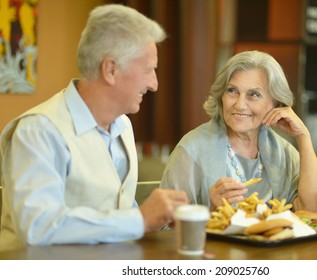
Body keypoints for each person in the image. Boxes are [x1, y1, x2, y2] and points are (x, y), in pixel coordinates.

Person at [0, 4, 188, 251]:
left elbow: (113, 211)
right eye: (148, 70)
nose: (154, 84)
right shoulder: (38, 130)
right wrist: (139, 219)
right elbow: (37, 225)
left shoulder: (123, 125)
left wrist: (160, 218)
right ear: (110, 69)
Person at [160, 50, 317, 213]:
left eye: (253, 94)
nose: (239, 105)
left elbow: (314, 213)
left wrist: (304, 137)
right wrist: (211, 213)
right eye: (232, 91)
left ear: (275, 103)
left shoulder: (284, 153)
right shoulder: (191, 149)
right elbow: (165, 229)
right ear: (221, 96)